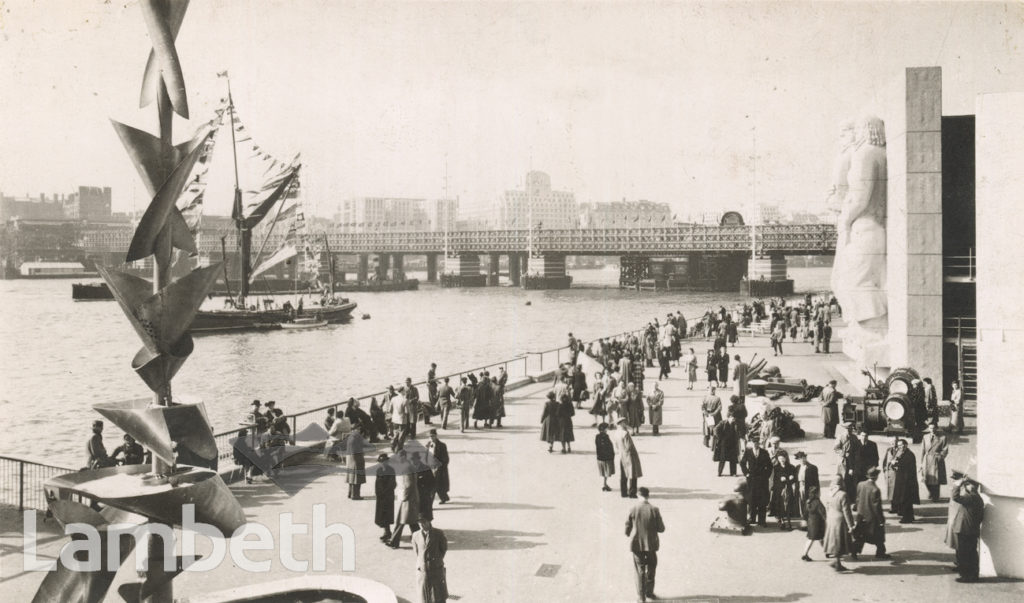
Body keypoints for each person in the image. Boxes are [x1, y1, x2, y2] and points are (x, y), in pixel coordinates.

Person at [625, 487, 665, 603]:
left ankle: (641, 597)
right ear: (648, 496)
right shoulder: (654, 509)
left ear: (638, 495)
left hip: (637, 544)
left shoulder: (633, 509)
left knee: (640, 570)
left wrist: (628, 533)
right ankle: (649, 592)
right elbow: (661, 529)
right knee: (652, 568)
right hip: (651, 545)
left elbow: (627, 528)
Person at [946, 475, 984, 583]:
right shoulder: (975, 497)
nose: (965, 487)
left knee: (966, 553)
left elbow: (955, 497)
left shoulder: (971, 497)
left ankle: (968, 576)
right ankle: (967, 574)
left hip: (966, 530)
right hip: (968, 529)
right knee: (967, 553)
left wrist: (957, 485)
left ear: (972, 487)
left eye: (967, 485)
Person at [853, 467, 890, 559]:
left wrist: (856, 508)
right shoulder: (875, 489)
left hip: (861, 515)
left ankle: (854, 551)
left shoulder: (860, 484)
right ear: (876, 477)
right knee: (878, 536)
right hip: (872, 517)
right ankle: (880, 552)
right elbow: (877, 507)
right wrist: (881, 519)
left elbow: (857, 498)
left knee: (860, 535)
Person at [388, 451, 421, 548]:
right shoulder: (408, 466)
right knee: (412, 522)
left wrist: (404, 497)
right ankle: (421, 541)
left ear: (403, 456)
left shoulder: (406, 468)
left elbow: (409, 485)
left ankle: (394, 542)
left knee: (401, 521)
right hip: (411, 497)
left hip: (408, 499)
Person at [411, 518, 448, 602]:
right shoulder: (415, 535)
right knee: (424, 596)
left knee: (438, 596)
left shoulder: (438, 533)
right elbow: (416, 552)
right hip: (423, 571)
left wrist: (436, 560)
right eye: (419, 524)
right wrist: (421, 563)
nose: (421, 526)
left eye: (423, 523)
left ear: (429, 522)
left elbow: (443, 549)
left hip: (436, 569)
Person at [823, 481, 856, 572]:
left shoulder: (829, 493)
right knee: (840, 541)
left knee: (834, 541)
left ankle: (837, 562)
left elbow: (827, 507)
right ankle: (837, 563)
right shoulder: (843, 494)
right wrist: (850, 525)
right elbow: (846, 511)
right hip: (840, 520)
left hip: (831, 519)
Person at [885, 437, 920, 523]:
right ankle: (909, 516)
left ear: (906, 445)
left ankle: (907, 518)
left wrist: (897, 463)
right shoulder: (902, 453)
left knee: (906, 500)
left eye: (902, 445)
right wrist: (895, 464)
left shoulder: (909, 454)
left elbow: (907, 467)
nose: (900, 447)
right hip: (902, 480)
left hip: (907, 481)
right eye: (899, 445)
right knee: (904, 499)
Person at [740, 437, 773, 526]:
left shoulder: (764, 452)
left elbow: (770, 466)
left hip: (762, 480)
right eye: (754, 442)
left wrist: (766, 475)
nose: (756, 444)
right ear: (751, 443)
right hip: (752, 479)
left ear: (759, 443)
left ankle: (762, 520)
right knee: (752, 499)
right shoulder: (748, 452)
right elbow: (742, 463)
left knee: (762, 500)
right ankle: (752, 519)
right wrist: (746, 473)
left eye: (757, 442)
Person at [614, 418, 643, 498]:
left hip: (622, 455)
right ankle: (632, 493)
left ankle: (623, 492)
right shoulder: (625, 433)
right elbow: (629, 446)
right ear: (621, 423)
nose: (625, 424)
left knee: (623, 475)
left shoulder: (616, 433)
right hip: (630, 456)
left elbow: (616, 446)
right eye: (624, 423)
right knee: (633, 474)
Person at [772, 450, 800, 530]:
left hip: (788, 489)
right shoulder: (776, 468)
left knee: (788, 505)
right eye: (780, 458)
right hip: (779, 490)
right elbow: (774, 480)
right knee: (780, 505)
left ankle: (788, 521)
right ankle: (782, 521)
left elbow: (795, 479)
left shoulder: (791, 467)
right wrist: (780, 479)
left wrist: (792, 478)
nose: (782, 460)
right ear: (778, 459)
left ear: (786, 458)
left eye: (783, 458)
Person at [920, 423, 948, 502]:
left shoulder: (942, 438)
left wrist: (940, 456)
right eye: (930, 428)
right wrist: (921, 462)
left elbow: (945, 449)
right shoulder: (925, 437)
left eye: (933, 428)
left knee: (936, 479)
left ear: (936, 428)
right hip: (927, 459)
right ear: (928, 429)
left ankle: (936, 496)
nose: (932, 430)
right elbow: (922, 450)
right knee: (926, 478)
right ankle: (931, 492)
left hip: (936, 460)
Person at [801, 486, 827, 561]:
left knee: (817, 538)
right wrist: (826, 520)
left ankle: (827, 551)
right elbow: (823, 512)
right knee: (815, 538)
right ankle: (805, 554)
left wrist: (805, 520)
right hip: (817, 524)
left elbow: (805, 513)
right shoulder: (817, 502)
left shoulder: (808, 501)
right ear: (816, 494)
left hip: (810, 523)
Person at [375, 453, 396, 543]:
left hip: (388, 496)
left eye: (384, 461)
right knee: (381, 515)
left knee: (386, 514)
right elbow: (377, 483)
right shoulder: (379, 470)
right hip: (380, 497)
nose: (382, 463)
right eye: (381, 462)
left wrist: (385, 493)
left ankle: (387, 532)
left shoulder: (391, 470)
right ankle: (386, 531)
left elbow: (392, 484)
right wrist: (377, 493)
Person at [426, 429, 450, 504]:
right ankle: (444, 497)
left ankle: (429, 504)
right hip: (430, 468)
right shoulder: (428, 445)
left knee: (433, 487)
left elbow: (446, 459)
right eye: (430, 436)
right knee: (437, 485)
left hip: (438, 469)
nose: (431, 438)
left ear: (436, 436)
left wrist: (439, 467)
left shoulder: (442, 446)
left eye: (433, 436)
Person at [794, 451, 819, 521]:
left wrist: (815, 491)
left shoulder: (812, 468)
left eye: (803, 458)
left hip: (808, 487)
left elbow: (816, 481)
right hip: (800, 487)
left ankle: (809, 517)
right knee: (801, 502)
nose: (801, 460)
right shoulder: (797, 467)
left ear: (805, 458)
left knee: (808, 502)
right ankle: (804, 517)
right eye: (800, 459)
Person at [346, 427, 367, 500]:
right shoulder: (358, 437)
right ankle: (355, 495)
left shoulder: (351, 436)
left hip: (350, 459)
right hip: (357, 458)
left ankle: (350, 493)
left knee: (351, 477)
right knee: (357, 478)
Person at [596, 422, 615, 491]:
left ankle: (605, 484)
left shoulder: (598, 436)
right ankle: (604, 484)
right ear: (603, 429)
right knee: (606, 472)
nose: (607, 429)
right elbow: (606, 447)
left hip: (600, 457)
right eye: (606, 428)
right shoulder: (604, 437)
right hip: (606, 458)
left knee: (604, 472)